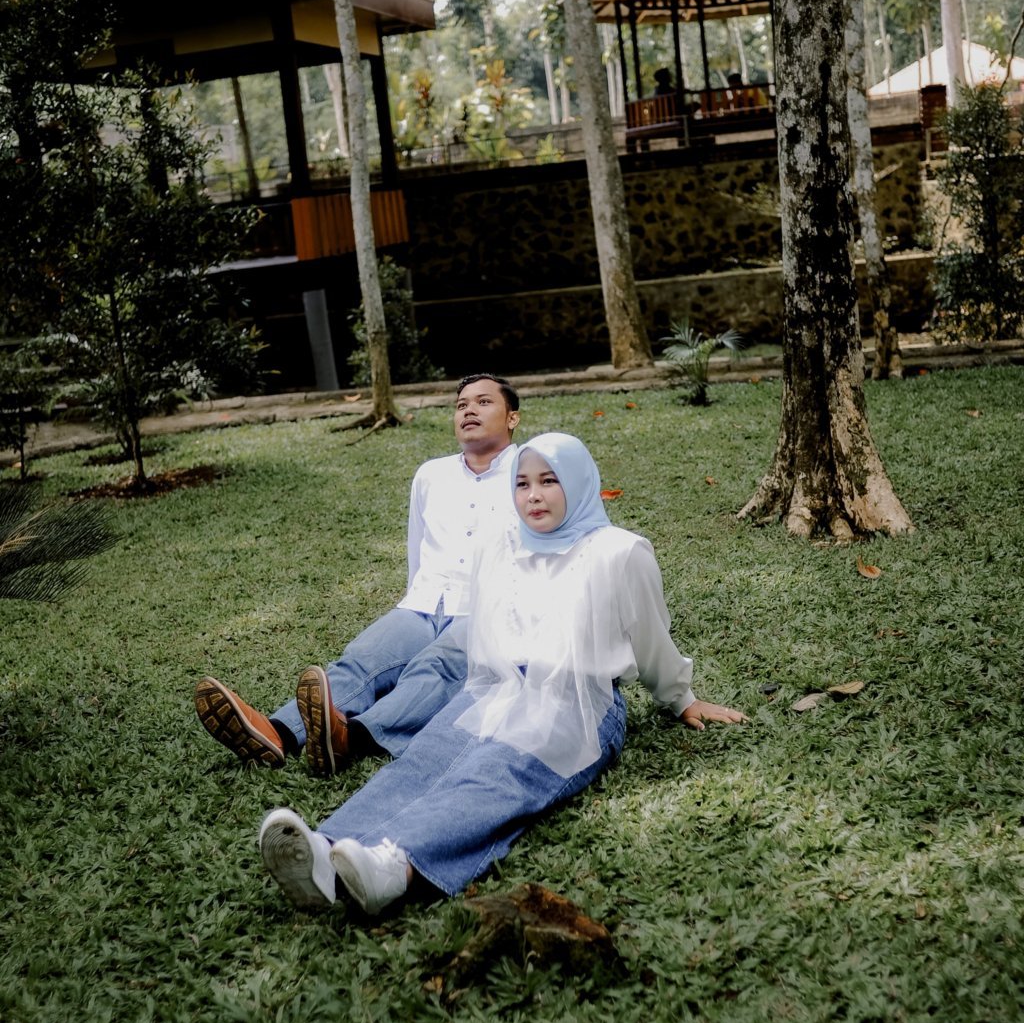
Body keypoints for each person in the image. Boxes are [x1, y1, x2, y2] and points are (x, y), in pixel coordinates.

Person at [256, 432, 746, 915]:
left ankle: (396, 866)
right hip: (496, 688)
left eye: (549, 481)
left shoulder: (620, 552)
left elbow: (651, 638)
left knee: (495, 775)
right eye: (522, 483)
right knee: (428, 759)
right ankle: (326, 849)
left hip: (577, 700)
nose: (533, 495)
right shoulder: (503, 545)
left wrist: (681, 697)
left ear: (579, 482)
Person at [194, 373, 521, 776]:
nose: (469, 410)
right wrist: (411, 605)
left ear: (512, 418)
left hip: (487, 610)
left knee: (434, 668)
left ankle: (352, 737)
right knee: (362, 660)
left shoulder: (530, 472)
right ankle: (276, 734)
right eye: (461, 405)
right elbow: (417, 548)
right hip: (424, 602)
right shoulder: (431, 475)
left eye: (484, 402)